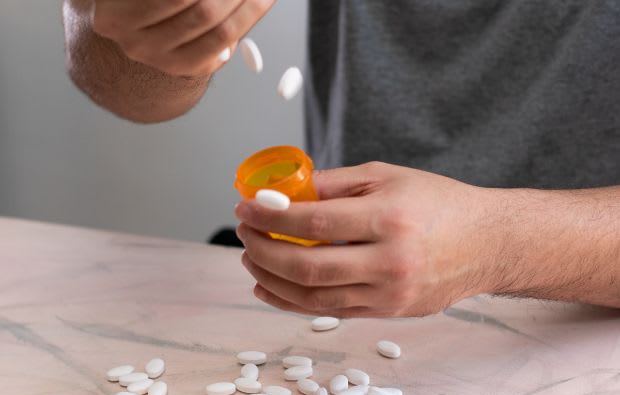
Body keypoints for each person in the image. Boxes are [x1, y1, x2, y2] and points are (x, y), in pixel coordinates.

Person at [63, 1, 620, 317]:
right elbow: (114, 83)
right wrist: (140, 22)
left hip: (586, 334)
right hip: (345, 323)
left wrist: (498, 244)